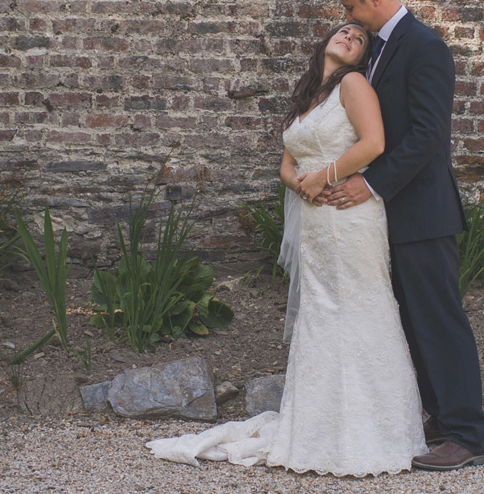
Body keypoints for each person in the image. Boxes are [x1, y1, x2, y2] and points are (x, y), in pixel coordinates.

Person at [147, 23, 427, 476]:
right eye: (344, 31)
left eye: (359, 38)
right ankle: (316, 426)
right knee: (320, 310)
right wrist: (297, 182)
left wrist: (324, 177)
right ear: (325, 44)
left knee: (359, 307)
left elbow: (375, 145)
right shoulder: (308, 100)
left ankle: (375, 429)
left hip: (347, 212)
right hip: (315, 215)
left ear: (361, 60)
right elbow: (288, 161)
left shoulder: (354, 85)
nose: (351, 37)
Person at [326, 0, 484, 471]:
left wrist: (369, 184)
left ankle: (467, 434)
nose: (350, 17)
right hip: (391, 216)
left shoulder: (425, 47)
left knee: (440, 321)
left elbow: (426, 138)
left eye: (353, 6)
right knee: (414, 322)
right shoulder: (377, 48)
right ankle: (441, 420)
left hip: (423, 212)